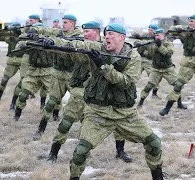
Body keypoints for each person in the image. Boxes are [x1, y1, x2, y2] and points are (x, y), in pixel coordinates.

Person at [39, 23, 165, 179]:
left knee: (154, 144)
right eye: (106, 34)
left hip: (126, 113)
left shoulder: (133, 56)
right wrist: (50, 43)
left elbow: (125, 82)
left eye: (111, 34)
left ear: (122, 37)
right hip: (98, 112)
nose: (107, 37)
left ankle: (158, 176)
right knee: (81, 151)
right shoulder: (97, 48)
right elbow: (73, 45)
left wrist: (103, 65)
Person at [46, 21, 133, 164]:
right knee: (66, 122)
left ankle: (120, 152)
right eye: (84, 32)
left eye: (88, 32)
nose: (84, 34)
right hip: (79, 92)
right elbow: (65, 49)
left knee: (117, 125)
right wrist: (51, 43)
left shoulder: (107, 49)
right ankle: (53, 153)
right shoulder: (81, 46)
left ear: (97, 32)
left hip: (102, 95)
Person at [159, 14, 195, 117]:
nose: (190, 23)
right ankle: (167, 108)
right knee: (178, 85)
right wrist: (178, 30)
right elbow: (171, 29)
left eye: (192, 21)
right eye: (189, 21)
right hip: (187, 62)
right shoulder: (185, 30)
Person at [12, 22, 60, 121]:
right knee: (24, 93)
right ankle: (16, 116)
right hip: (33, 70)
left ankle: (56, 115)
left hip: (48, 71)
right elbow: (19, 45)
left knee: (55, 95)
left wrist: (49, 43)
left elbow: (59, 44)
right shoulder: (29, 38)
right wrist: (27, 44)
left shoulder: (50, 39)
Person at [137, 28, 187, 109]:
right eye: (155, 35)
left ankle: (179, 103)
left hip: (168, 69)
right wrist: (139, 43)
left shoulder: (168, 44)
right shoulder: (152, 44)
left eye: (158, 35)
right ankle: (140, 103)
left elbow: (168, 53)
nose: (156, 37)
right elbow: (142, 49)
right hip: (156, 69)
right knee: (149, 86)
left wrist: (160, 45)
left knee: (178, 85)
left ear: (163, 35)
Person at [0, 22, 22, 102]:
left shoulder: (25, 36)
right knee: (4, 79)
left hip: (23, 61)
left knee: (23, 81)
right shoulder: (10, 37)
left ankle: (14, 102)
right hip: (12, 60)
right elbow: (1, 37)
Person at [132, 24, 161, 98]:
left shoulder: (158, 37)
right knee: (133, 75)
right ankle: (131, 91)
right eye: (149, 30)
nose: (149, 31)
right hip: (140, 59)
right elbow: (137, 41)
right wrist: (136, 37)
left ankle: (154, 94)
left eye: (151, 30)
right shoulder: (145, 35)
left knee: (154, 78)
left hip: (150, 61)